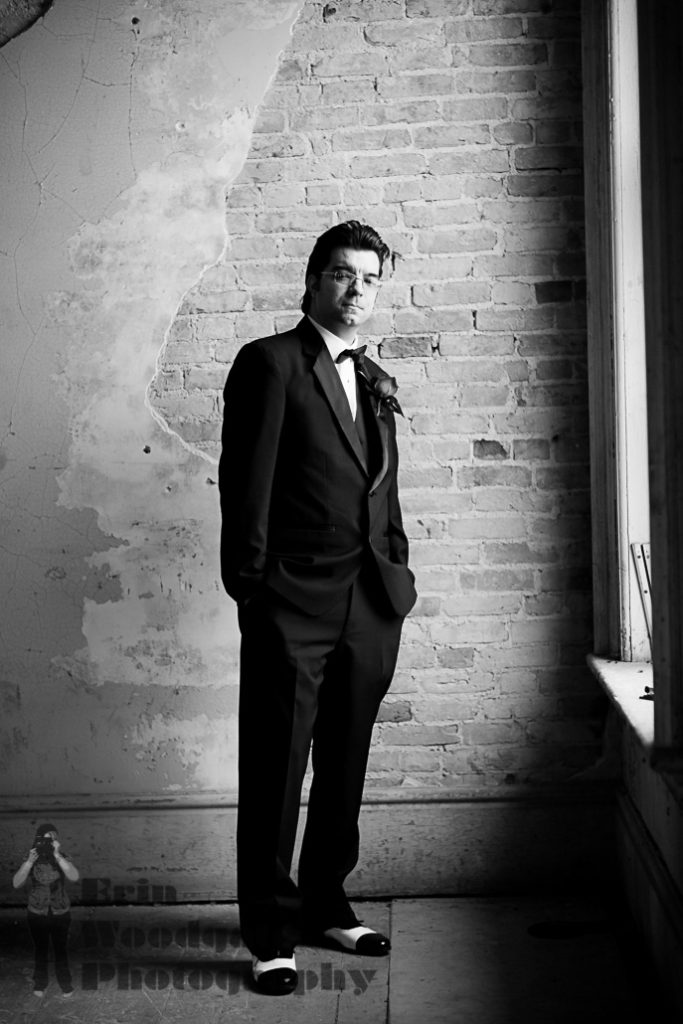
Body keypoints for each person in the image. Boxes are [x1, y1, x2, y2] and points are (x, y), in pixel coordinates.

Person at [219, 220, 417, 995]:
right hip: (290, 605)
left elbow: (381, 488)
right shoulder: (269, 363)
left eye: (369, 278)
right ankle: (271, 935)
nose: (355, 289)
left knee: (344, 763)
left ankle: (326, 903)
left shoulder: (370, 374)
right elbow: (247, 484)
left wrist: (396, 571)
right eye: (342, 274)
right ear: (311, 280)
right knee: (276, 769)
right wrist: (254, 591)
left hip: (370, 603)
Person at [12, 823, 80, 997]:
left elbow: (74, 876)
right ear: (37, 840)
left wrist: (57, 855)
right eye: (44, 839)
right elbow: (16, 883)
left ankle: (65, 984)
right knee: (40, 949)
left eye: (52, 839)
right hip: (37, 911)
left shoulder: (62, 857)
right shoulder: (31, 857)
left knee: (60, 949)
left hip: (60, 911)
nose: (48, 843)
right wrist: (29, 862)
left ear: (57, 841)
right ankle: (40, 984)